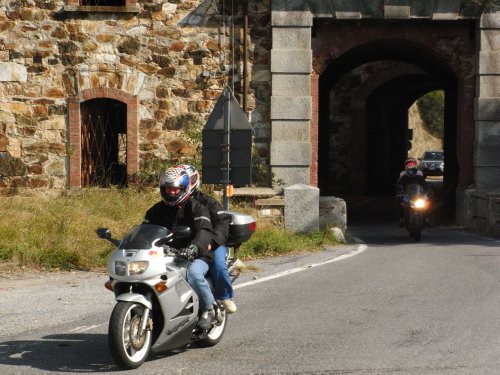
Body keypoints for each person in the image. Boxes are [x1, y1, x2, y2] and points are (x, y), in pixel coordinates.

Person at [142, 166, 216, 329]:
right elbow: (144, 232)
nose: (172, 192)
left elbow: (204, 231)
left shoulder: (197, 208)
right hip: (164, 255)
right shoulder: (155, 210)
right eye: (168, 189)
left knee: (194, 275)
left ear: (184, 188)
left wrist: (193, 248)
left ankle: (208, 309)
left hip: (197, 255)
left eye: (176, 189)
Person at [182, 164, 237, 314]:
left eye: (188, 182)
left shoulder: (209, 202)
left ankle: (225, 296)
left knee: (218, 265)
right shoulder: (174, 203)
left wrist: (212, 243)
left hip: (212, 244)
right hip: (188, 244)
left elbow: (222, 224)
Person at [396, 157, 429, 227]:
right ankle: (402, 219)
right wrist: (400, 192)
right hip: (407, 196)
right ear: (406, 166)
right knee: (400, 203)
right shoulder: (403, 177)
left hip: (418, 195)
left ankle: (426, 218)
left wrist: (428, 191)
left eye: (412, 164)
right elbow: (399, 185)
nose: (410, 165)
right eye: (409, 164)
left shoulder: (419, 177)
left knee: (427, 204)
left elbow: (425, 185)